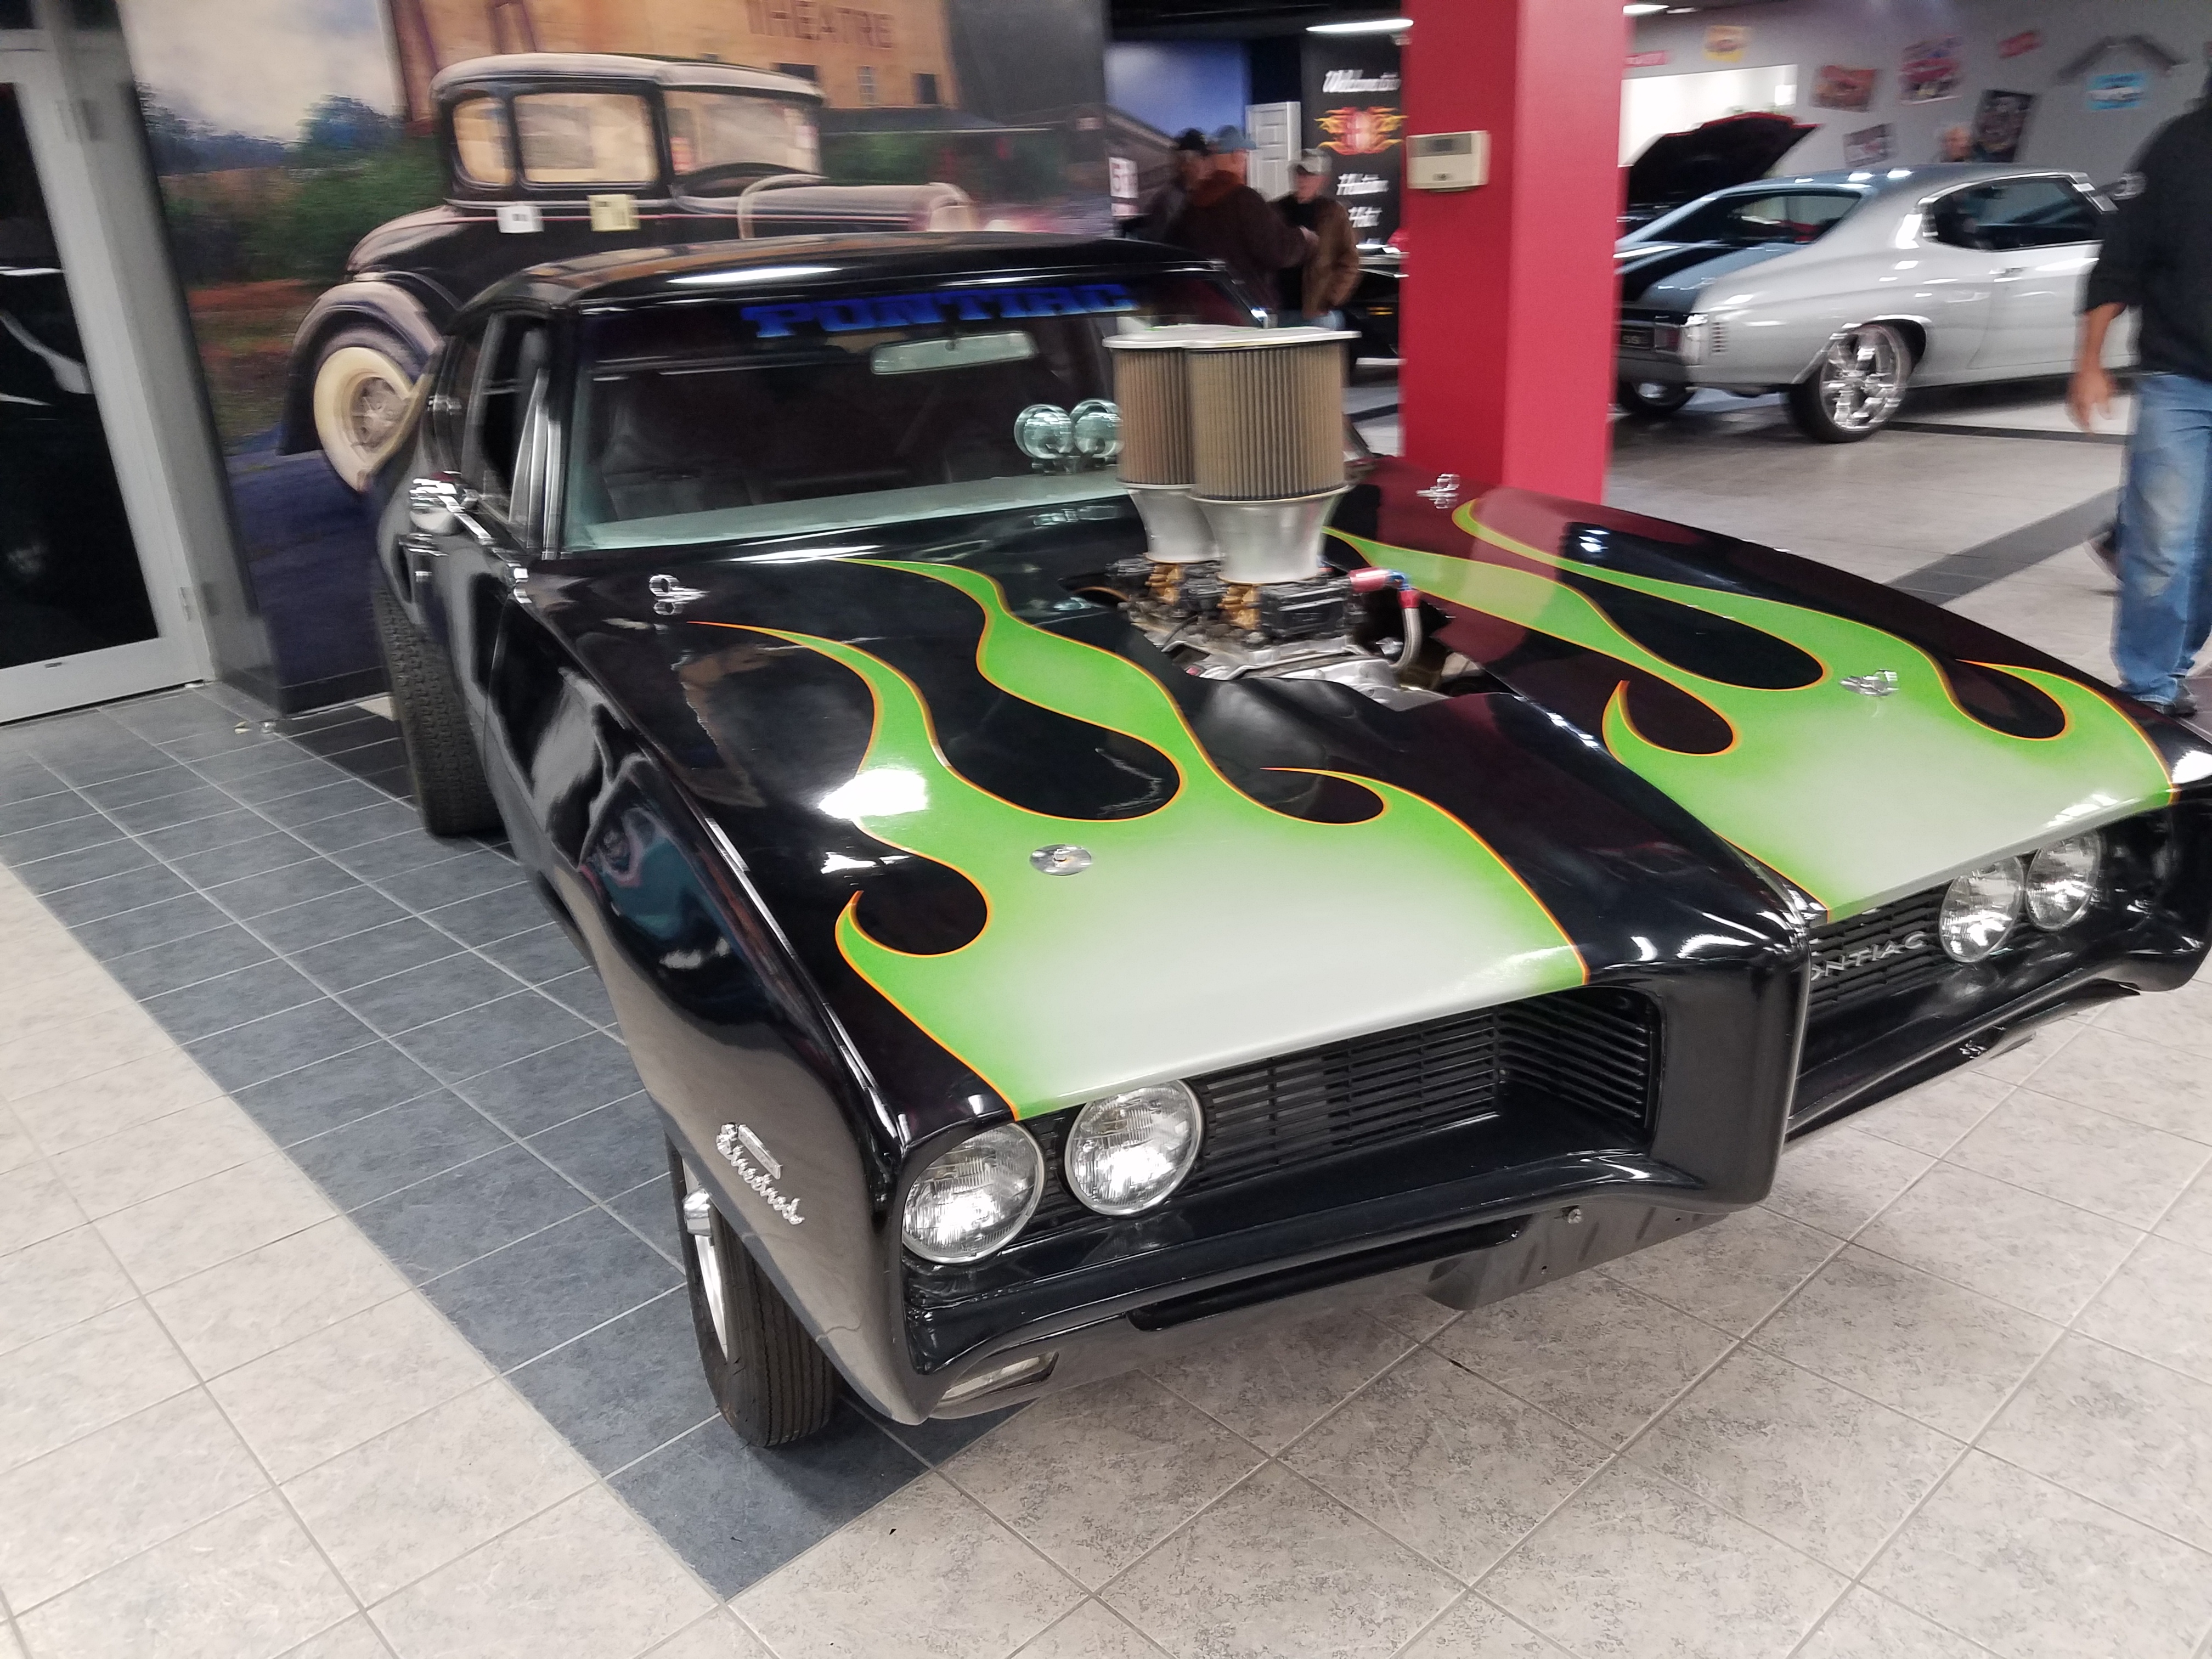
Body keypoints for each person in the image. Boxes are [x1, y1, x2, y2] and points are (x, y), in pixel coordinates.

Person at [2069, 71, 2212, 717]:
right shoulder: (2178, 148)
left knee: (2203, 551)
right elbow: (2120, 259)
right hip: (2180, 379)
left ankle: (2174, 665)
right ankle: (2149, 687)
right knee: (2163, 543)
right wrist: (2089, 361)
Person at [1164, 125, 1310, 302]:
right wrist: (1303, 238)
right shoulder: (1245, 199)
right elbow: (1277, 251)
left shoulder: (1192, 206)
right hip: (1245, 306)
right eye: (1245, 155)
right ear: (1237, 155)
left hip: (1205, 306)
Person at [1272, 149, 1361, 326]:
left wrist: (1330, 299)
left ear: (1322, 179)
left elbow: (1349, 260)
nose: (1302, 179)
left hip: (1317, 312)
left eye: (1309, 175)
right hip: (1280, 309)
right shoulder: (1277, 210)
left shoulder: (1333, 213)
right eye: (1299, 173)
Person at [1135, 129, 1210, 242]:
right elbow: (1159, 246)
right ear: (1185, 164)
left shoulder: (1201, 196)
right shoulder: (1170, 202)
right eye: (1202, 158)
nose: (1208, 165)